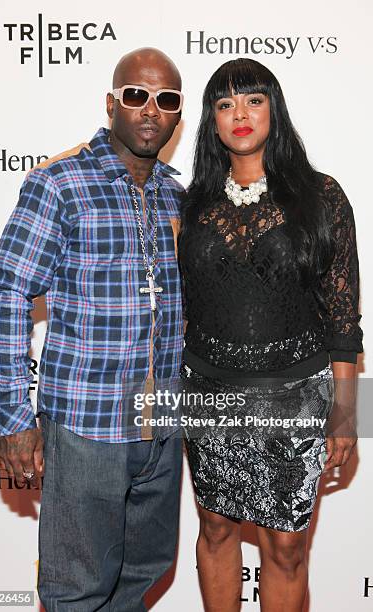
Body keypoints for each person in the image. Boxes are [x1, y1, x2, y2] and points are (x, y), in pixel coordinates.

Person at [0, 48, 185, 611]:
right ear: (112, 102)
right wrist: (14, 416)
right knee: (78, 589)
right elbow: (8, 292)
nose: (150, 110)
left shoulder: (177, 193)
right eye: (136, 96)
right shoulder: (60, 183)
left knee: (144, 572)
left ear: (177, 115)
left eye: (165, 100)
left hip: (162, 426)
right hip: (86, 426)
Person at [178, 58, 363, 611]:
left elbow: (343, 317)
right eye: (225, 103)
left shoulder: (322, 195)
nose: (240, 114)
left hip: (297, 394)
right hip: (207, 392)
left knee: (285, 547)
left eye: (253, 100)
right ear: (211, 120)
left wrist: (348, 411)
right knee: (214, 528)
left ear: (274, 111)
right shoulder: (190, 203)